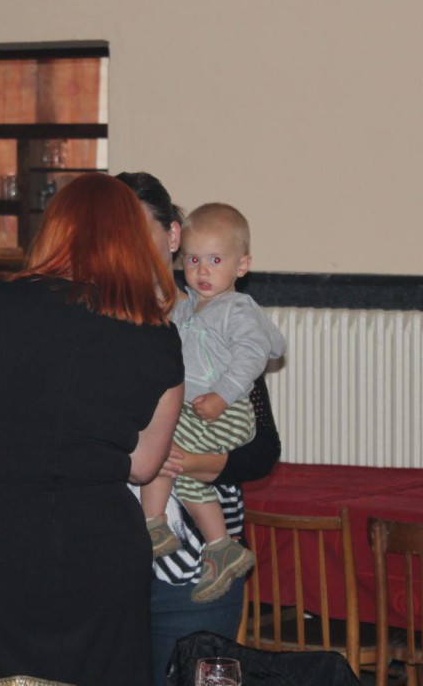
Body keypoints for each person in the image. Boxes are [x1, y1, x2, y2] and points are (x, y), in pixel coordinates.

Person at [0, 173, 185, 686]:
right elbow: (145, 465)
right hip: (100, 546)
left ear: (54, 230)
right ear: (131, 238)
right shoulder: (157, 335)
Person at [115, 172, 282, 686]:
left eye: (138, 230)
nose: (124, 245)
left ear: (171, 235)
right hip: (109, 564)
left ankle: (216, 547)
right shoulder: (93, 318)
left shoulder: (214, 318)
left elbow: (263, 449)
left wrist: (196, 463)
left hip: (192, 574)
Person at [141, 202, 286, 603]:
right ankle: (220, 546)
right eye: (194, 260)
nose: (202, 271)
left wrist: (222, 395)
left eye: (215, 260)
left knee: (160, 445)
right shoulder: (189, 306)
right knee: (186, 475)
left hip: (225, 411)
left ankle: (152, 524)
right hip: (203, 411)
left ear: (242, 266)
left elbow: (253, 356)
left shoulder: (237, 309)